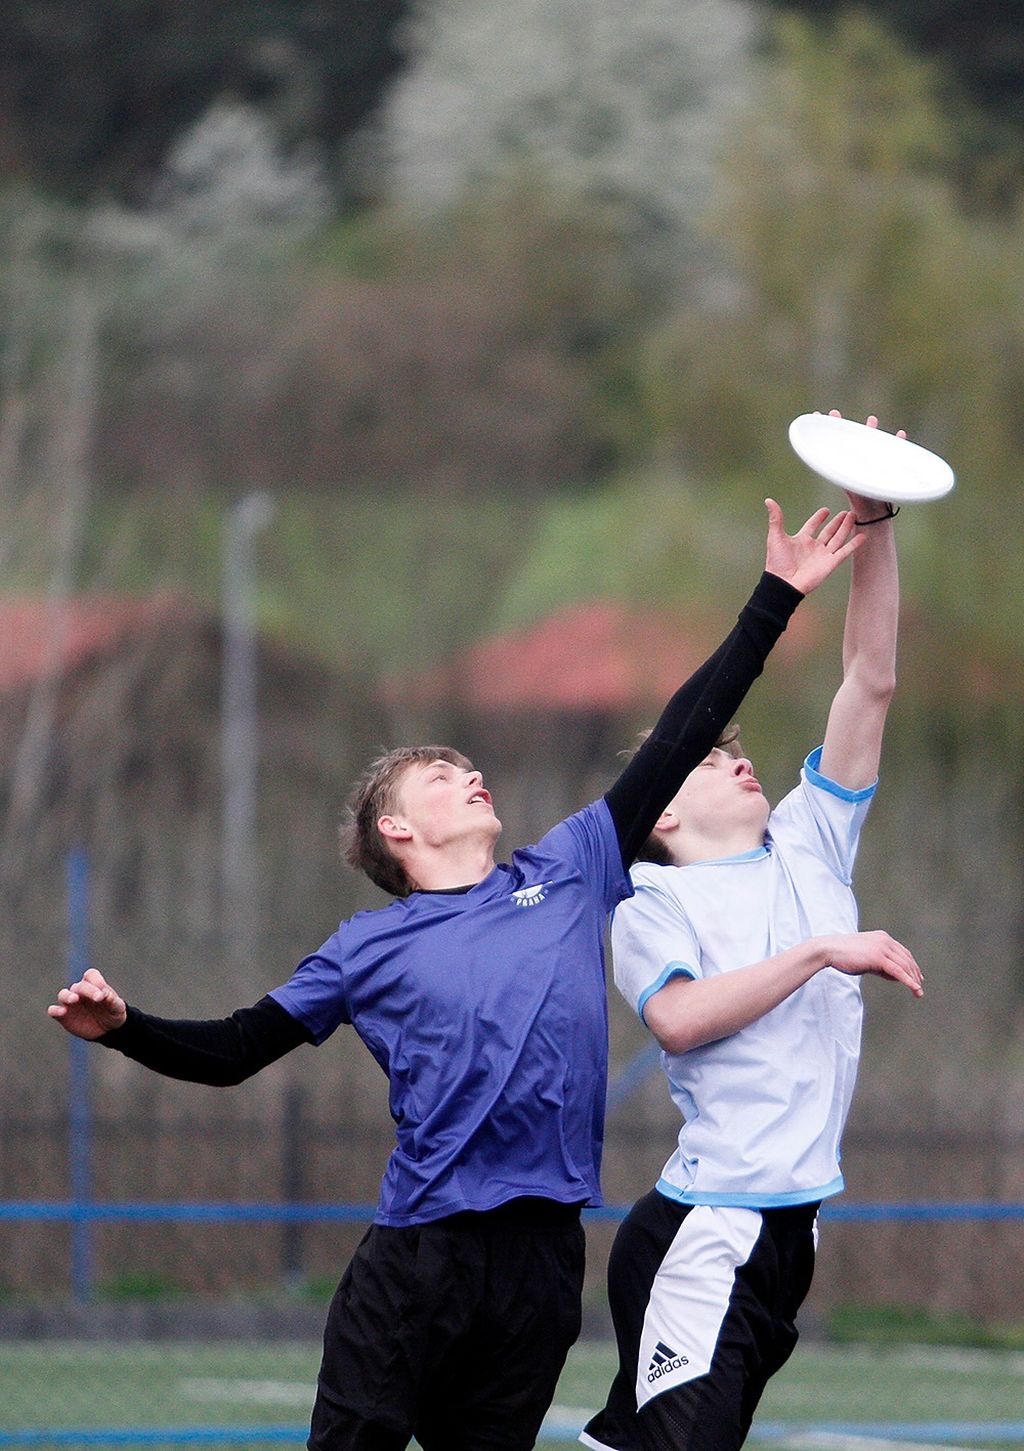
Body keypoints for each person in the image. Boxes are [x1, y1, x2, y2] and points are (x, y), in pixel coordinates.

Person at [49, 496, 862, 1451]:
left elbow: (686, 731)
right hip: (418, 1260)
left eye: (468, 766)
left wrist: (775, 596)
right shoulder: (365, 946)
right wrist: (126, 1027)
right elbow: (236, 1048)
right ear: (396, 828)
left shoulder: (570, 869)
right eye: (440, 775)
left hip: (541, 1264)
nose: (470, 775)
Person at [580, 416, 924, 1451]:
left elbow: (869, 679)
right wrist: (820, 951)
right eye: (705, 759)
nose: (737, 759)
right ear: (661, 817)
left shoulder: (810, 838)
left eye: (736, 750)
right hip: (706, 1233)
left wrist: (875, 516)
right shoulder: (649, 901)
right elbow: (680, 1020)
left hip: (788, 1234)